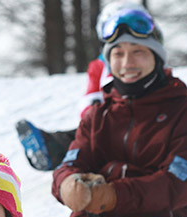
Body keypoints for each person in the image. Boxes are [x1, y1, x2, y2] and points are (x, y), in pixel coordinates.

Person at [17, 6, 187, 217]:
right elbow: (70, 163)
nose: (127, 62)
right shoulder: (97, 116)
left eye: (138, 52)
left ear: (157, 58)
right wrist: (69, 185)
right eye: (118, 54)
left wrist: (113, 195)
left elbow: (178, 184)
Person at [15, 2, 144, 171]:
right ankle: (52, 147)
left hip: (142, 123)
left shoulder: (149, 61)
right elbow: (89, 97)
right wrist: (93, 114)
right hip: (106, 122)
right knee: (85, 135)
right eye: (114, 30)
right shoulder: (99, 66)